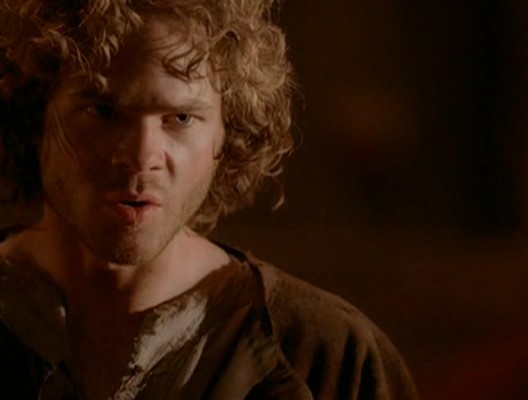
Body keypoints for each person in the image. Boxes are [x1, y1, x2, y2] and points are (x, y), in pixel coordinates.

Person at [0, 1, 419, 399]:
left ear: (226, 133)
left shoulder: (326, 358)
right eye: (103, 112)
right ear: (34, 113)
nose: (142, 157)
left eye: (181, 118)